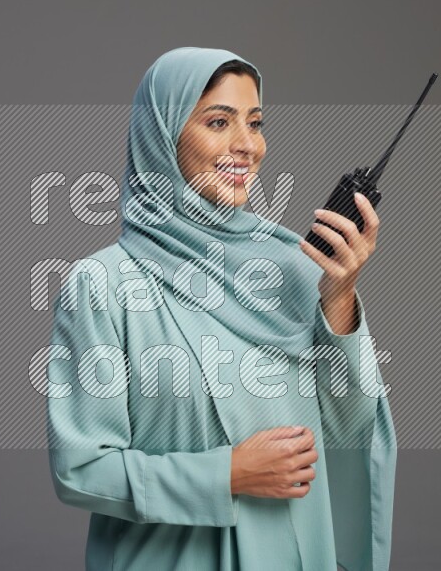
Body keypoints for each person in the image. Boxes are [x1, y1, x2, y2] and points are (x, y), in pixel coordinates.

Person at [46, 47, 397, 571]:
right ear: (162, 137)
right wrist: (226, 474)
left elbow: (347, 434)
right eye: (218, 122)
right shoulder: (103, 283)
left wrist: (340, 296)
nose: (246, 146)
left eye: (255, 124)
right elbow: (79, 468)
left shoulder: (296, 267)